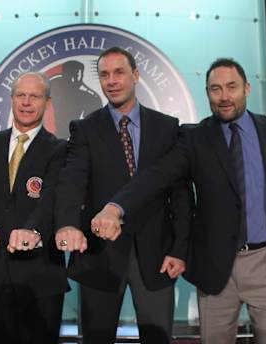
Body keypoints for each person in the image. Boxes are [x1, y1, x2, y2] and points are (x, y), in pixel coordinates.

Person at [92, 58, 266, 344]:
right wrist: (115, 207)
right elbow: (156, 176)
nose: (224, 96)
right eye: (215, 89)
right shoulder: (194, 138)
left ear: (247, 88)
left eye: (232, 87)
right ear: (207, 93)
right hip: (217, 269)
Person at [54, 47, 192, 344]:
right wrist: (67, 224)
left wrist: (180, 249)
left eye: (119, 73)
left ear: (136, 76)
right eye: (104, 75)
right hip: (99, 256)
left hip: (157, 255)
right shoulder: (84, 128)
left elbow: (180, 195)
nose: (111, 81)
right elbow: (72, 181)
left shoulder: (167, 128)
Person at [0, 72, 69, 344]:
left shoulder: (60, 150)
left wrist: (32, 230)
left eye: (34, 96)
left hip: (42, 275)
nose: (26, 102)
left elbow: (52, 200)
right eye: (20, 95)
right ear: (11, 99)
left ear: (47, 102)